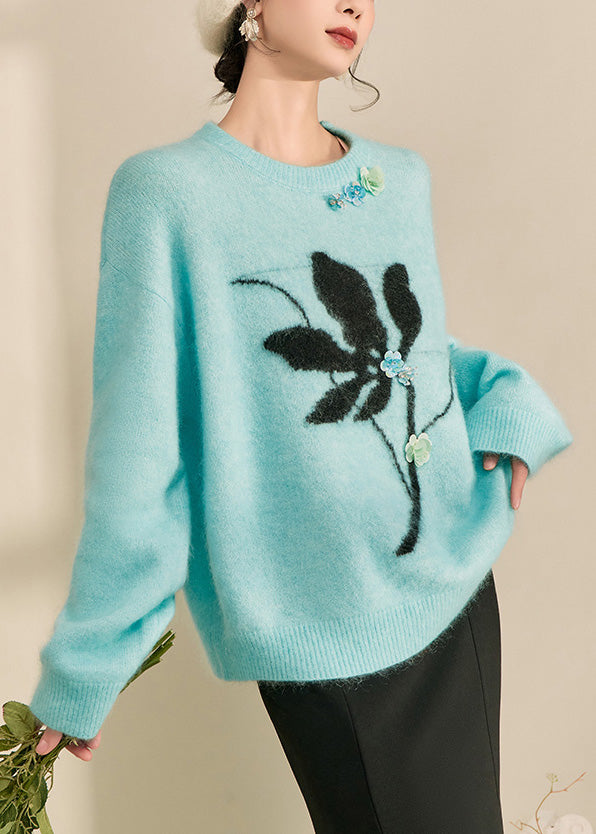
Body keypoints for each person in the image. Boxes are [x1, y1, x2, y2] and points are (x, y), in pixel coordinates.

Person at [30, 0, 573, 831]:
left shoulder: (397, 179)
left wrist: (508, 399)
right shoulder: (168, 195)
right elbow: (140, 452)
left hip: (451, 592)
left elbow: (415, 355)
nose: (356, 4)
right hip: (318, 622)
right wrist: (89, 666)